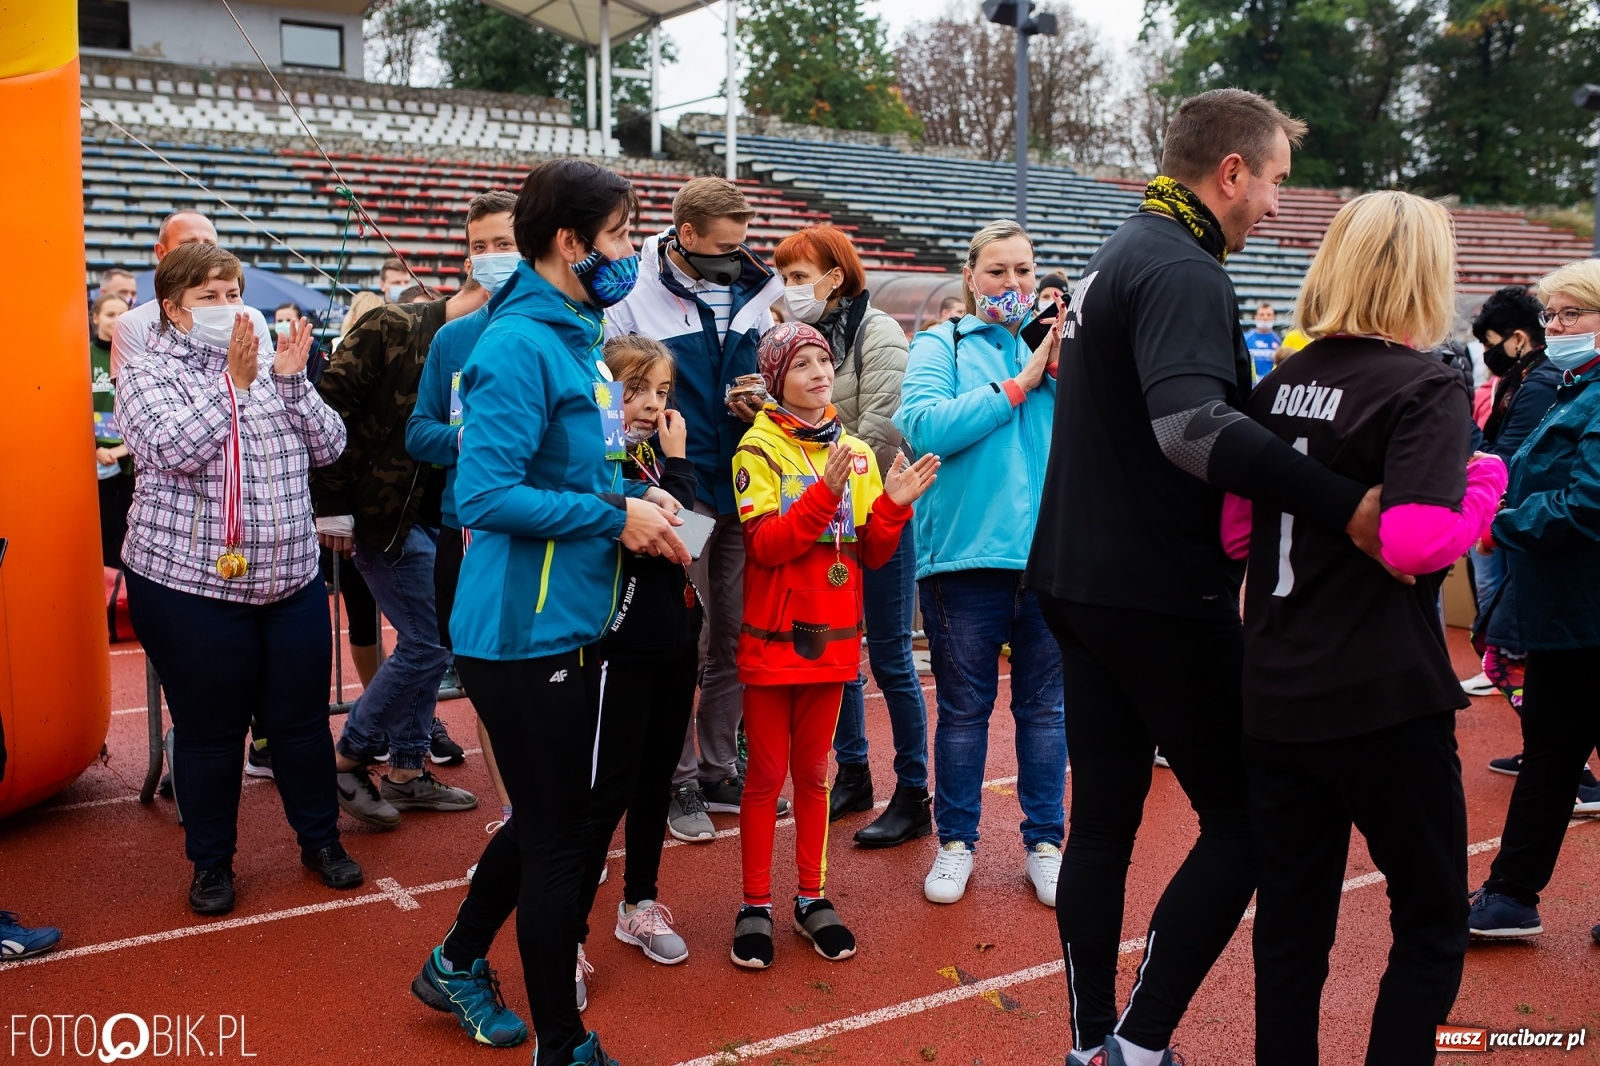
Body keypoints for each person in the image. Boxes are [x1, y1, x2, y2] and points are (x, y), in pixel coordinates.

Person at [1025, 89, 1389, 1066]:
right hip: (1154, 591)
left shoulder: (1115, 250)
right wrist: (1340, 501)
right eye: (1273, 180)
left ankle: (1089, 1042)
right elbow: (1189, 429)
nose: (1276, 204)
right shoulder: (1180, 266)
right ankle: (1137, 1048)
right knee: (1247, 821)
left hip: (1072, 576)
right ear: (1230, 171)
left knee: (1098, 821)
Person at [410, 158, 685, 1066]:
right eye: (619, 235)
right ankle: (564, 1046)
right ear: (570, 242)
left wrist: (638, 489)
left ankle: (454, 961)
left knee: (549, 820)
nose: (631, 252)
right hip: (518, 634)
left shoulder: (576, 334)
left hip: (570, 620)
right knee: (564, 833)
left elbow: (570, 470)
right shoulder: (515, 345)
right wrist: (617, 515)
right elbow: (484, 494)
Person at [1230, 191, 1504, 1064]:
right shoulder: (1425, 381)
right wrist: (1485, 485)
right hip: (1382, 696)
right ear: (1427, 274)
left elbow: (1238, 531)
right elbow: (1418, 542)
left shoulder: (1278, 382)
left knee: (1289, 932)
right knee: (1430, 923)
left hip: (1275, 689)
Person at [115, 243, 360, 915]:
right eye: (210, 296)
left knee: (303, 724)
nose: (228, 307)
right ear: (173, 308)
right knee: (210, 732)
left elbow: (331, 446)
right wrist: (234, 385)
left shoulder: (269, 362)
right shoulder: (148, 373)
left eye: (233, 292)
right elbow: (172, 451)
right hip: (191, 587)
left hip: (289, 582)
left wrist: (290, 382)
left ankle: (320, 842)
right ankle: (212, 863)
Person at [729, 322, 938, 969]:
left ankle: (811, 899)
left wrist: (894, 508)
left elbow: (872, 552)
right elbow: (768, 545)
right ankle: (755, 904)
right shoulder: (756, 451)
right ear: (775, 379)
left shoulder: (854, 449)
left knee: (815, 776)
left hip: (830, 641)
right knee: (766, 777)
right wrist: (826, 488)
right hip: (773, 642)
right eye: (803, 364)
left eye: (825, 359)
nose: (820, 372)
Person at [604, 176, 785, 843]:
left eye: (741, 245)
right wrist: (652, 436)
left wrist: (761, 397)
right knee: (689, 633)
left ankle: (716, 767)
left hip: (743, 485)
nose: (733, 258)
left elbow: (773, 368)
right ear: (683, 236)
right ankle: (675, 776)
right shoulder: (631, 291)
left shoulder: (760, 288)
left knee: (735, 635)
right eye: (720, 247)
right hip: (681, 489)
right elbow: (614, 388)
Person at [894, 220, 1066, 910]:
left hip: (1051, 561)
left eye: (1023, 270)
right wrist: (1018, 386)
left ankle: (1045, 844)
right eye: (996, 271)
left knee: (1046, 713)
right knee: (965, 712)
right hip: (963, 560)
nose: (1012, 284)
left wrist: (1060, 367)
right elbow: (926, 425)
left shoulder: (1059, 350)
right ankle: (957, 843)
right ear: (970, 277)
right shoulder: (942, 343)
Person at [312, 243, 486, 828]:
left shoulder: (501, 341)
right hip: (383, 514)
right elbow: (322, 413)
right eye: (489, 245)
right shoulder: (392, 325)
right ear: (470, 260)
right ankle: (349, 754)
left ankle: (408, 771)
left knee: (429, 638)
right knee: (428, 643)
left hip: (444, 515)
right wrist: (332, 504)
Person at [773, 224, 928, 847]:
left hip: (874, 514)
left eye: (799, 276)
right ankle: (855, 772)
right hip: (829, 517)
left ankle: (914, 793)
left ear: (835, 277)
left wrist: (827, 469)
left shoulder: (879, 331)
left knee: (891, 658)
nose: (791, 288)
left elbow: (883, 426)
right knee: (835, 658)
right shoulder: (810, 337)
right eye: (784, 278)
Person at [1468, 259, 1600, 940]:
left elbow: (1587, 506)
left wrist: (1500, 518)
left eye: (1572, 314)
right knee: (1550, 760)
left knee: (1552, 760)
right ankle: (1511, 894)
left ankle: (1511, 892)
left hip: (1587, 613)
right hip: (1563, 616)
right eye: (1551, 315)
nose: (1556, 327)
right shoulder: (1577, 389)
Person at [571, 334, 705, 977]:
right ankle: (565, 932)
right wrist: (662, 487)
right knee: (604, 790)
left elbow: (693, 537)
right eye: (635, 391)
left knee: (655, 781)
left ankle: (640, 903)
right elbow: (659, 535)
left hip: (675, 640)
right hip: (616, 647)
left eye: (661, 392)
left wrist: (675, 467)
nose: (651, 405)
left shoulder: (661, 457)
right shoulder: (594, 462)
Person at [405, 189, 522, 841]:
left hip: (551, 531)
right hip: (469, 532)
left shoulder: (580, 327)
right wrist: (470, 439)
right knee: (487, 676)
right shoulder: (453, 339)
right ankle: (513, 816)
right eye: (479, 247)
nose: (491, 256)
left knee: (557, 679)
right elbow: (420, 432)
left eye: (503, 243)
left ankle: (560, 810)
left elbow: (611, 435)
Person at [1467, 287, 1559, 756]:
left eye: (1491, 342)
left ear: (1519, 339)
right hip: (1518, 525)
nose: (1487, 353)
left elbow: (1506, 456)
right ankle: (1550, 755)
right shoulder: (1522, 379)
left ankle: (1566, 763)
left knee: (1503, 655)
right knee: (1515, 653)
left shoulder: (1539, 381)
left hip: (1522, 526)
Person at [110, 210, 273, 380]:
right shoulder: (134, 323)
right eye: (189, 244)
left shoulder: (252, 319)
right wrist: (236, 386)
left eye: (209, 245)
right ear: (161, 252)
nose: (200, 250)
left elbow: (269, 388)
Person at [90, 292, 134, 568]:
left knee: (125, 528)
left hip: (130, 459)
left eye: (122, 315)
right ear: (95, 318)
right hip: (95, 460)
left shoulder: (134, 357)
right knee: (102, 529)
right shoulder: (83, 355)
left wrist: (122, 449)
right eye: (109, 314)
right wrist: (96, 449)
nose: (115, 321)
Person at [1244, 301, 1280, 381]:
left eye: (1269, 314)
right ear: (1255, 317)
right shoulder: (1245, 338)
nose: (1265, 318)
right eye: (1262, 314)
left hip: (1271, 382)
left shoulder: (1279, 340)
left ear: (1274, 317)